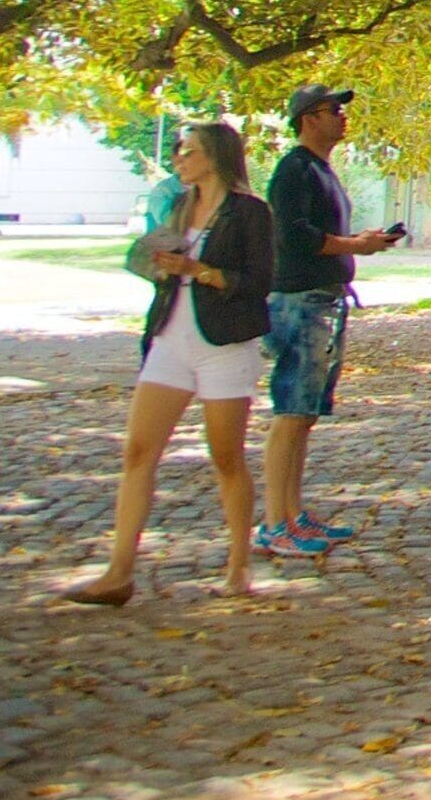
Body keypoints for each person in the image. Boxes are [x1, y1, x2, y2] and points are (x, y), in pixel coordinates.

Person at [62, 122, 274, 605]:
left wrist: (200, 271)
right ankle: (119, 572)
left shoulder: (249, 212)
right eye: (179, 150)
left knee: (225, 457)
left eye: (189, 151)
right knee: (138, 452)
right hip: (170, 337)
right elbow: (158, 263)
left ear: (215, 157)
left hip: (223, 343)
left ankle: (239, 564)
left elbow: (259, 281)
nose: (179, 158)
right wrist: (158, 266)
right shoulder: (178, 206)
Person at [257, 84, 406, 559]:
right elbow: (294, 235)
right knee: (290, 411)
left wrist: (361, 241)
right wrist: (354, 245)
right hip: (301, 301)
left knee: (305, 414)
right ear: (308, 118)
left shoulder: (321, 169)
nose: (343, 116)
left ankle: (292, 513)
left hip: (325, 299)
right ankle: (274, 523)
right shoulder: (293, 169)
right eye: (333, 110)